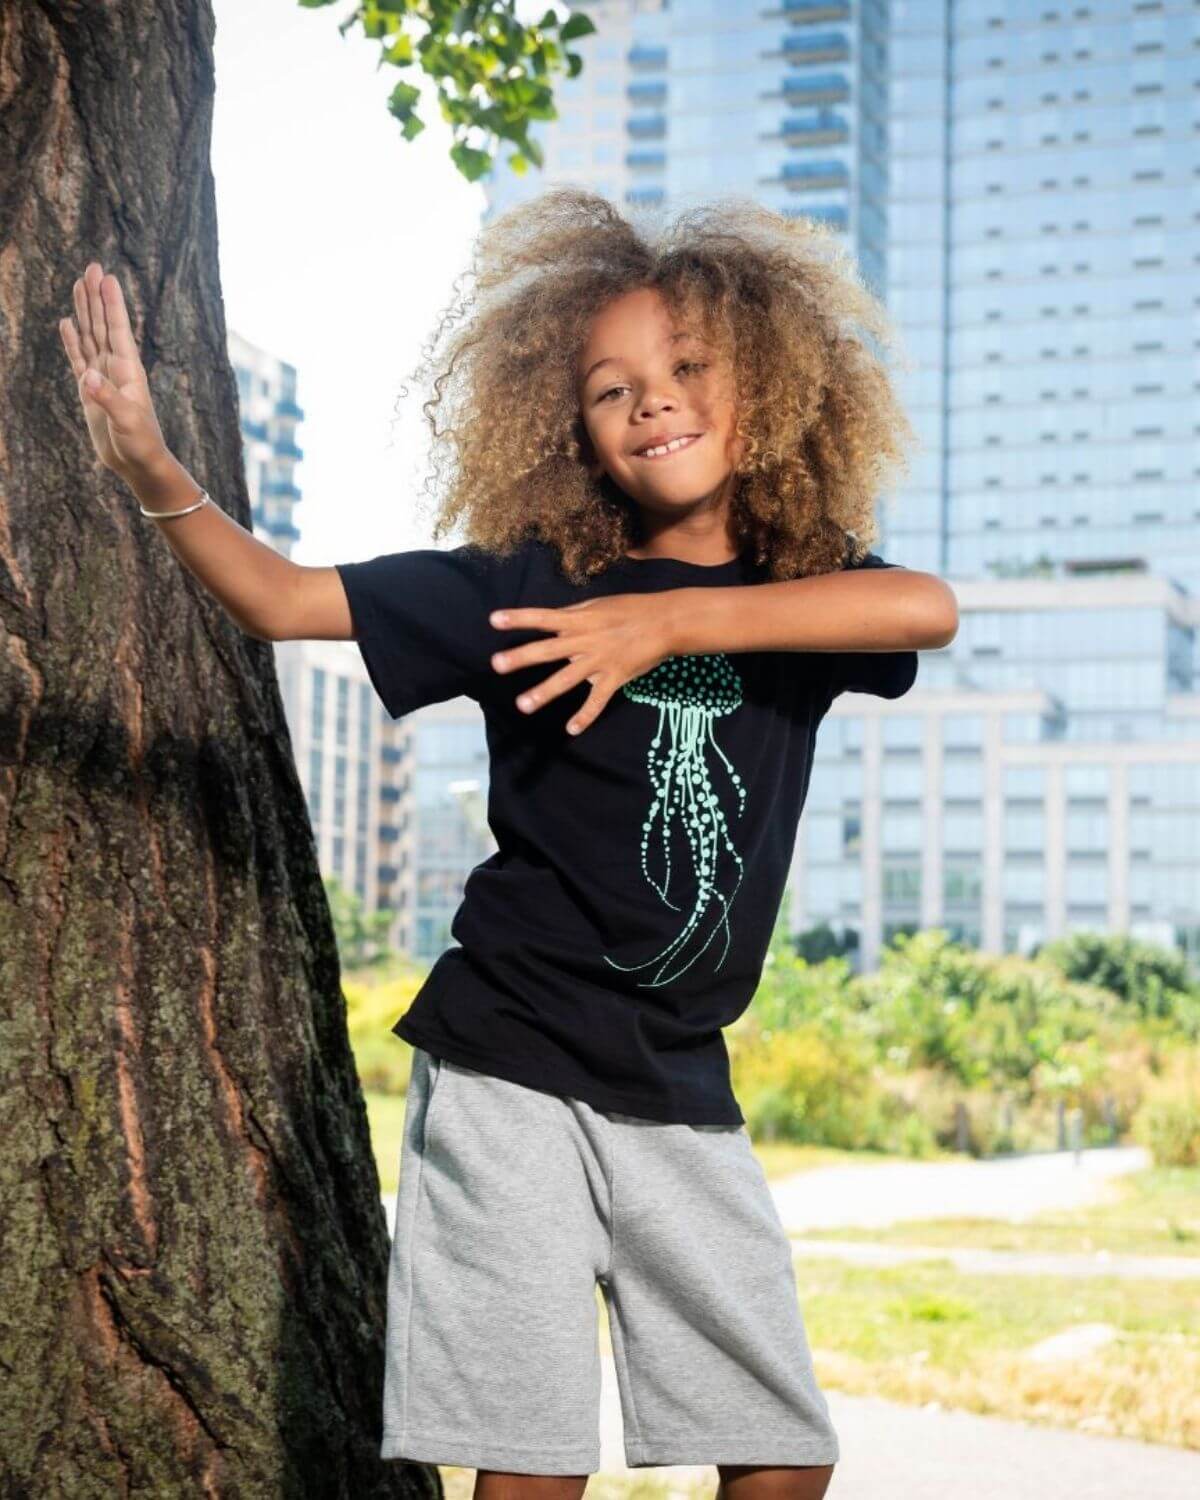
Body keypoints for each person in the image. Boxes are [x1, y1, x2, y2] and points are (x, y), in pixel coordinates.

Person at [60, 187, 958, 1500]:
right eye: (613, 388)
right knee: (531, 1458)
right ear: (568, 427)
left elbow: (922, 609)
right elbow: (280, 597)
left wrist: (675, 630)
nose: (654, 400)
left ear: (765, 389)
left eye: (688, 369)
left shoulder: (794, 602)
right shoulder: (519, 586)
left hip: (679, 1080)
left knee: (781, 1450)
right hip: (508, 1062)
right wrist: (153, 472)